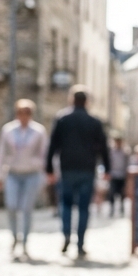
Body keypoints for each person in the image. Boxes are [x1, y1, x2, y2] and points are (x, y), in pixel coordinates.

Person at [46, 85, 110, 259]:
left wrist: (49, 169)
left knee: (65, 204)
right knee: (83, 207)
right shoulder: (94, 122)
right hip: (87, 169)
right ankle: (80, 243)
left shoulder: (62, 119)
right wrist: (107, 168)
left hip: (67, 168)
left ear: (71, 100)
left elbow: (53, 145)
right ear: (87, 101)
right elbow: (104, 147)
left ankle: (66, 234)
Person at [0, 99, 48, 260]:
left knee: (27, 208)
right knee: (11, 205)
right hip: (13, 173)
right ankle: (15, 236)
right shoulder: (8, 130)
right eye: (20, 112)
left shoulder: (38, 131)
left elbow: (44, 154)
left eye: (27, 112)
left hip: (31, 174)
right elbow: (1, 153)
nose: (23, 115)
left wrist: (43, 172)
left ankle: (25, 241)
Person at [107, 138, 129, 217]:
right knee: (112, 193)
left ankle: (122, 209)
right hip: (113, 175)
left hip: (122, 175)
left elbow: (127, 164)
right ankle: (112, 209)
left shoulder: (125, 152)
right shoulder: (111, 152)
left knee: (122, 194)